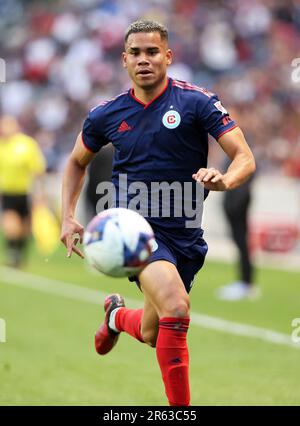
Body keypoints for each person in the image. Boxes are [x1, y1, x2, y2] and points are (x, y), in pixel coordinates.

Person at [61, 20, 256, 406]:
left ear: (168, 56)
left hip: (185, 234)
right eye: (135, 53)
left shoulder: (197, 102)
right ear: (124, 60)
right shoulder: (106, 113)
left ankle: (116, 317)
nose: (144, 60)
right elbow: (75, 162)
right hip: (135, 231)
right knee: (177, 308)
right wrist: (67, 215)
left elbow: (244, 157)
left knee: (154, 331)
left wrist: (225, 180)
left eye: (152, 52)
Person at [0, 115, 46, 267]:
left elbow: (37, 170)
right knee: (11, 225)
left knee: (25, 228)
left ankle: (20, 255)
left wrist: (39, 192)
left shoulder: (27, 144)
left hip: (26, 192)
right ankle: (13, 255)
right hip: (8, 192)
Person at [216, 170, 257, 301]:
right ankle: (245, 281)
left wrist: (233, 205)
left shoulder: (242, 154)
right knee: (240, 242)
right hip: (235, 204)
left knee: (241, 242)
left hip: (237, 205)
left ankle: (246, 282)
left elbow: (244, 179)